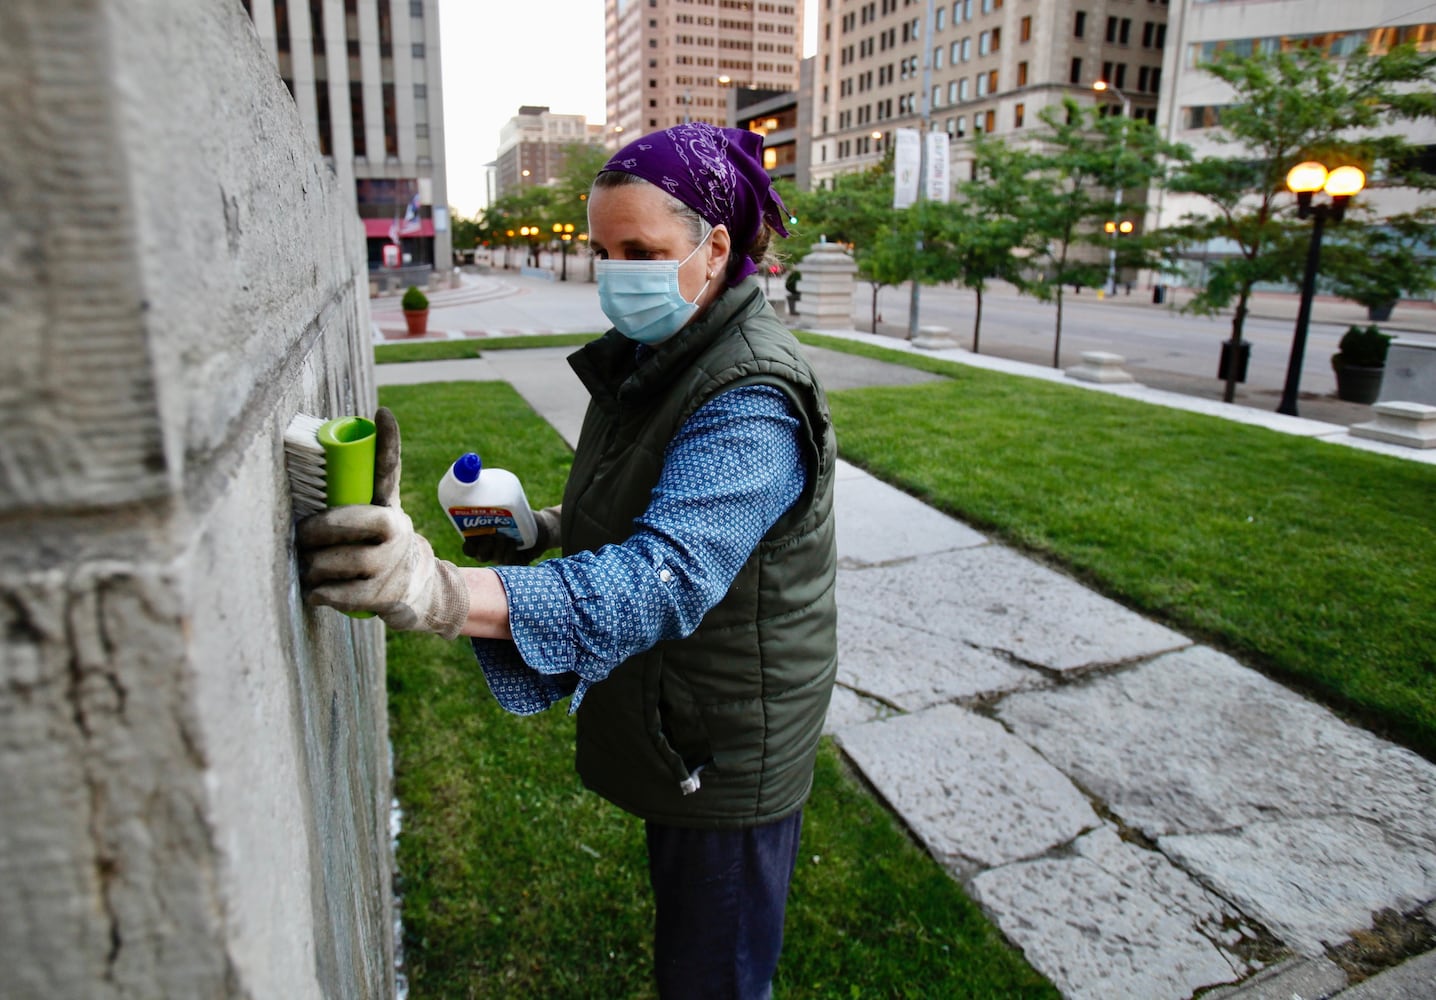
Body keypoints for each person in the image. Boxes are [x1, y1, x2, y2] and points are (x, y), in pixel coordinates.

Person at [297, 121, 837, 999]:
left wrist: (438, 590)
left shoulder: (754, 399)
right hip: (685, 714)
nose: (616, 272)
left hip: (734, 737)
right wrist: (536, 529)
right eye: (602, 248)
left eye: (640, 249)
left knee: (717, 975)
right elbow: (648, 499)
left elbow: (661, 575)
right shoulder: (667, 350)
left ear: (716, 247)